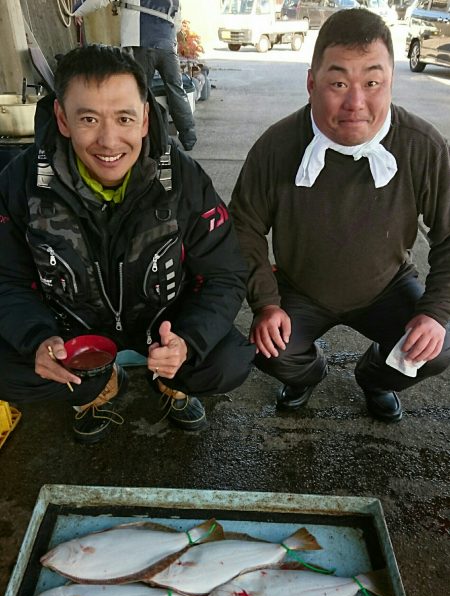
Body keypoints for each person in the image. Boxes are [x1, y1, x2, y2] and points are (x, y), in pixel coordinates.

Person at [0, 45, 254, 444]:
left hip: (161, 324)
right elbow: (7, 280)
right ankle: (95, 388)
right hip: (73, 332)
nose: (108, 140)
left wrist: (187, 341)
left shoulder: (183, 178)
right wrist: (37, 338)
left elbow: (224, 274)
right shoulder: (21, 181)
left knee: (229, 360)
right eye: (88, 119)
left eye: (124, 118)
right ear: (62, 120)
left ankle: (171, 381)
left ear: (145, 119)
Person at [230, 8, 450, 423]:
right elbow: (244, 226)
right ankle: (307, 375)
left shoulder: (423, 145)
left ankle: (376, 377)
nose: (356, 103)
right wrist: (265, 302)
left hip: (388, 285)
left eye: (372, 82)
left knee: (441, 346)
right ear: (311, 83)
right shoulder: (276, 146)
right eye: (337, 83)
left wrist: (435, 312)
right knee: (267, 349)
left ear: (390, 82)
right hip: (300, 287)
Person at [74, 0, 197, 150]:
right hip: (167, 45)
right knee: (176, 89)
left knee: (142, 93)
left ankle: (151, 137)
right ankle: (188, 137)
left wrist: (78, 12)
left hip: (142, 42)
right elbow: (177, 21)